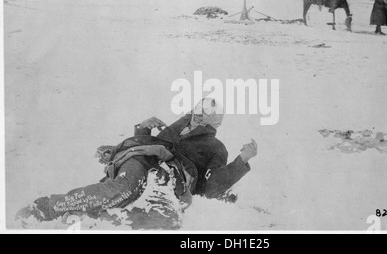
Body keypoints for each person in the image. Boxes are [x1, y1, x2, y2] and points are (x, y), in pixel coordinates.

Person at [16, 98, 258, 229]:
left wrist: (241, 162)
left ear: (214, 121)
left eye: (205, 112)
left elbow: (211, 187)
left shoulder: (216, 148)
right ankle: (47, 207)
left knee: (165, 222)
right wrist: (143, 129)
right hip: (144, 161)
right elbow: (153, 144)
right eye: (198, 108)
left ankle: (92, 221)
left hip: (171, 181)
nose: (197, 113)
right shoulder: (178, 126)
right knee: (125, 188)